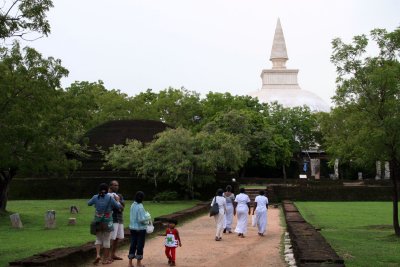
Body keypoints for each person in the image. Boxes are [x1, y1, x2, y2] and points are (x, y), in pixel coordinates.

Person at [88, 183, 122, 265]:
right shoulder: (110, 198)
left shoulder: (95, 197)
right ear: (107, 190)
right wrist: (117, 200)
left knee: (98, 239)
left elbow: (89, 203)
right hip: (108, 222)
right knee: (107, 240)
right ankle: (104, 260)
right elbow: (118, 207)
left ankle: (98, 255)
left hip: (97, 221)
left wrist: (96, 204)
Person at [128, 191, 151, 267]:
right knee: (140, 245)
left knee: (133, 244)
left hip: (132, 228)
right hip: (140, 229)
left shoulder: (132, 205)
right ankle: (138, 263)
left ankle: (130, 263)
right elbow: (141, 219)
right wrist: (147, 221)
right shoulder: (140, 206)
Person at [108, 180, 125, 261]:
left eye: (117, 185)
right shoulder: (108, 196)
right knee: (111, 238)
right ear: (110, 186)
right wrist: (119, 206)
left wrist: (118, 203)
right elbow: (115, 207)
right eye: (114, 185)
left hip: (120, 219)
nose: (116, 187)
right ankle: (107, 256)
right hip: (112, 219)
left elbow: (122, 207)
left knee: (117, 238)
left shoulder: (119, 195)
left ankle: (113, 254)